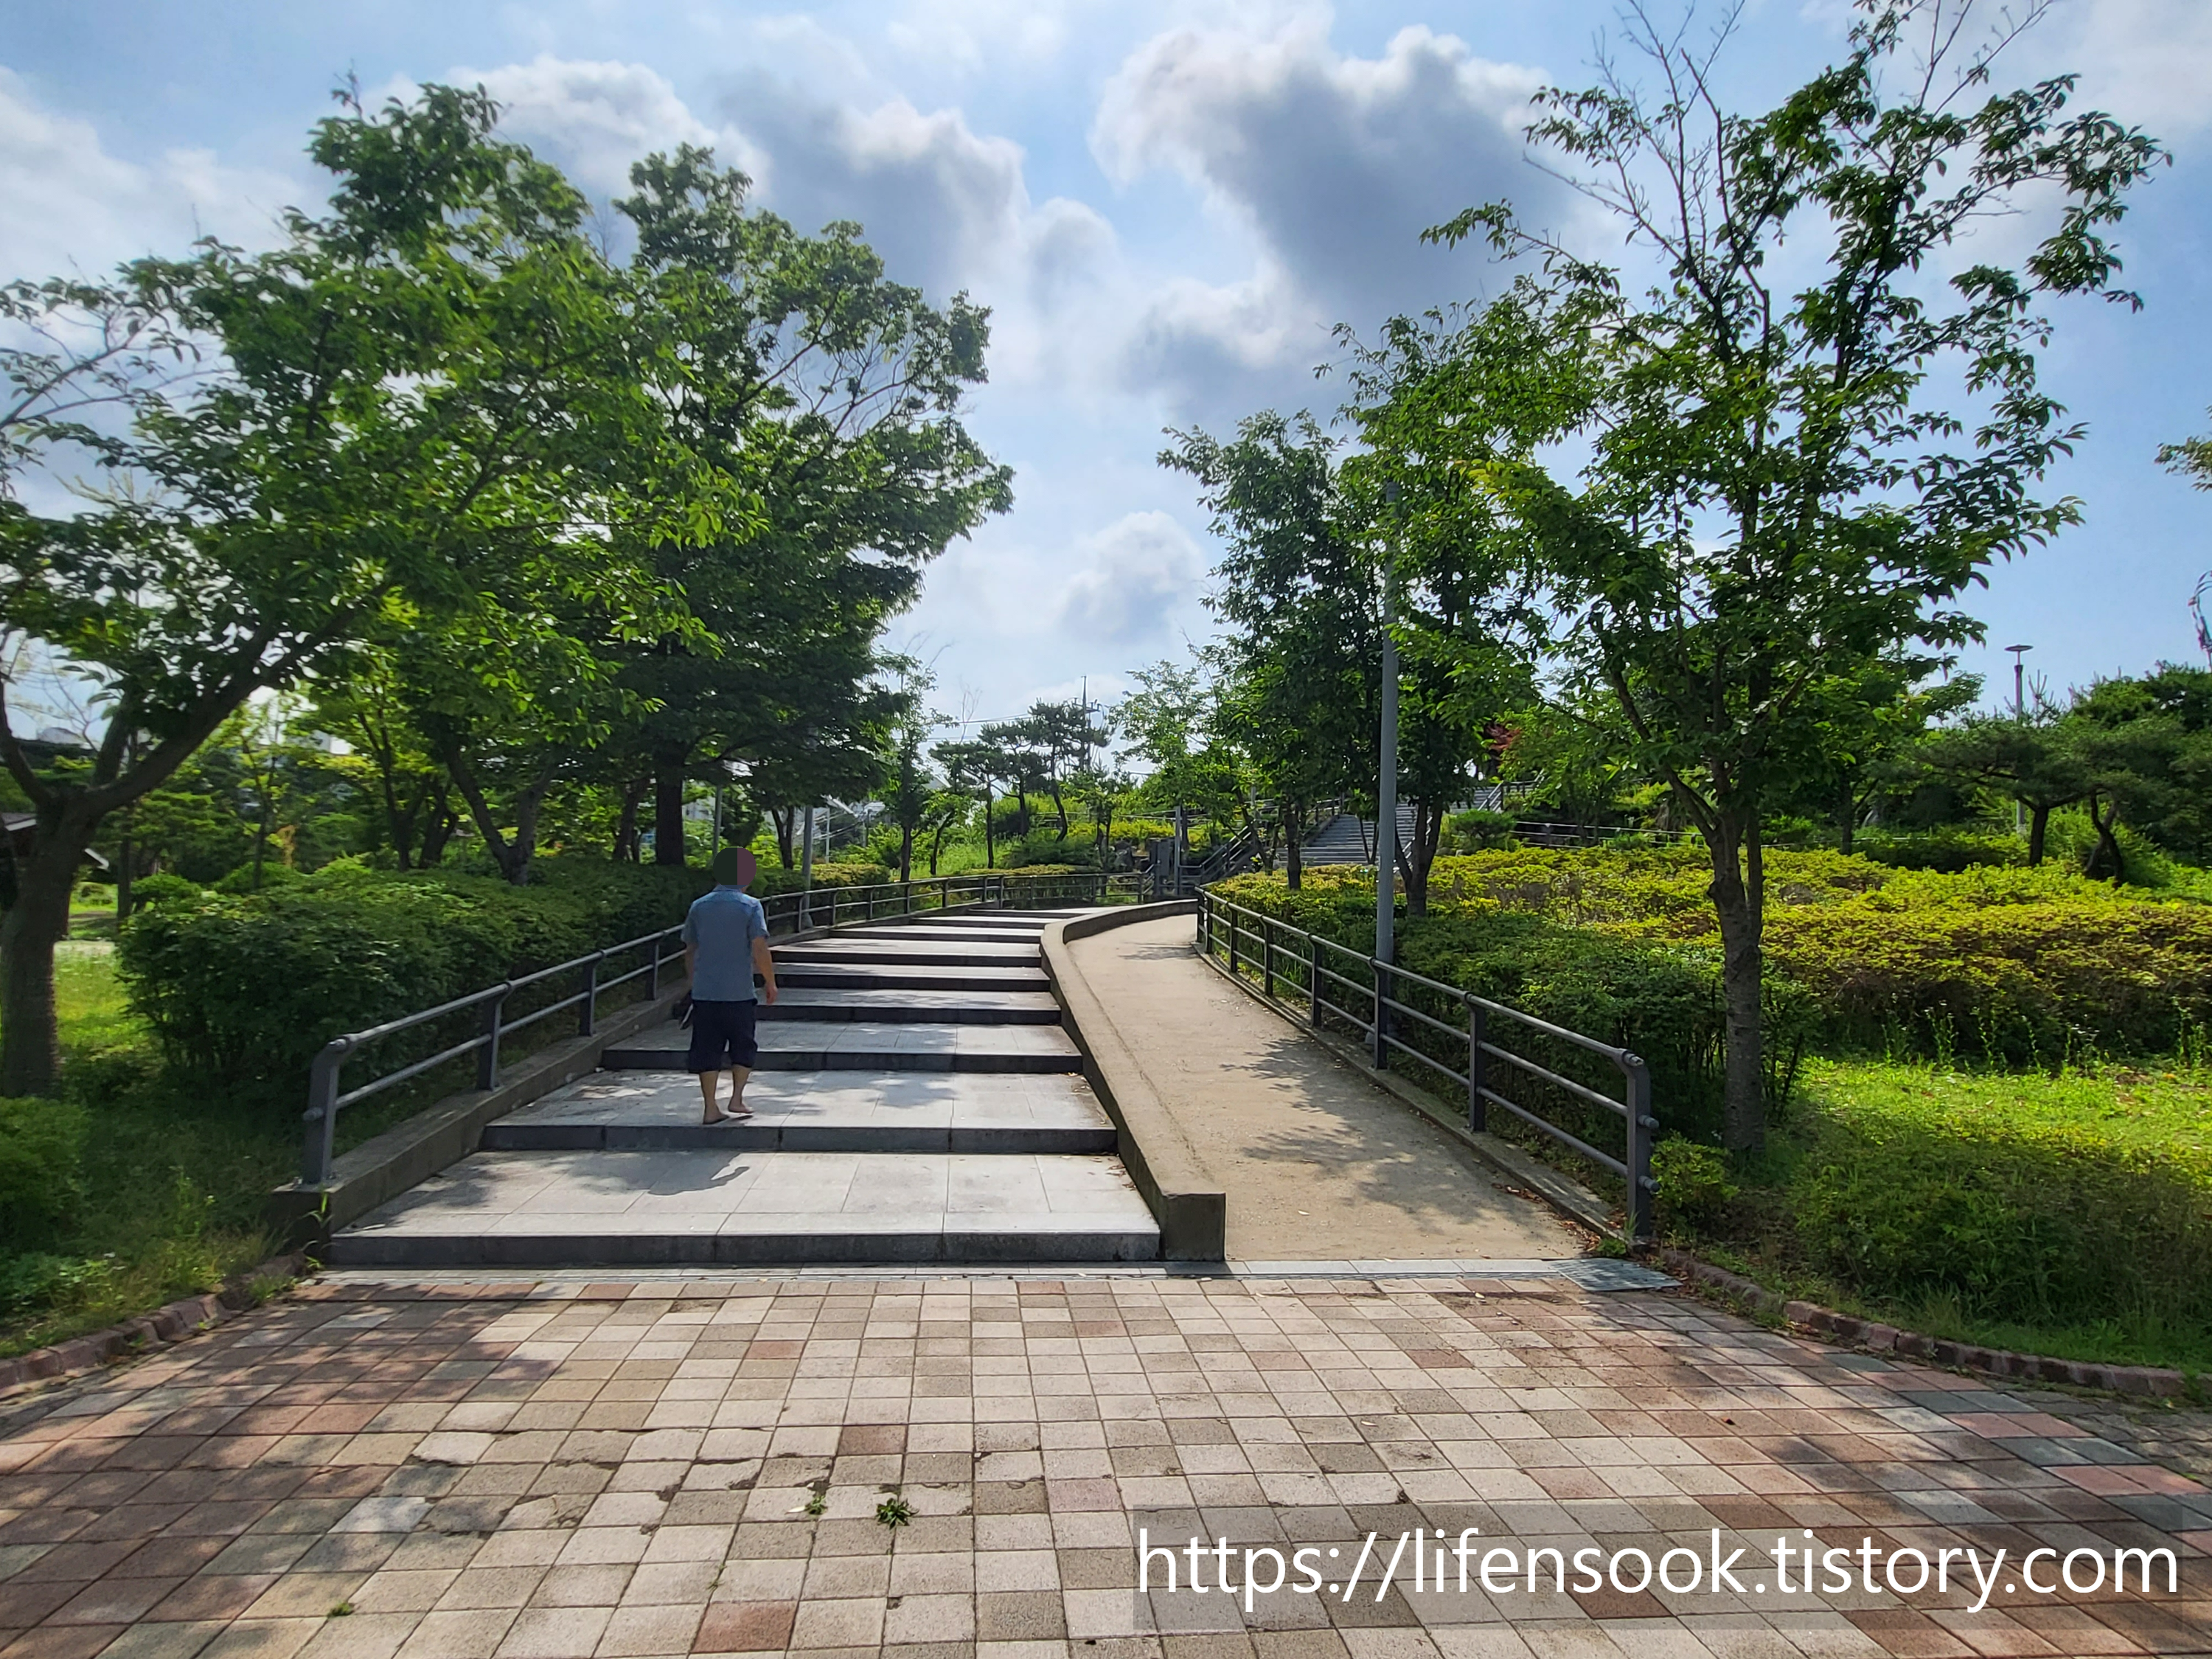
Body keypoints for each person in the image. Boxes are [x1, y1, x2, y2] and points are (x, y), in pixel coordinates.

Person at [681, 846, 777, 1124]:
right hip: (739, 992)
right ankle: (736, 1098)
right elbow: (759, 946)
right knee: (743, 1045)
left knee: (706, 1049)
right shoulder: (751, 906)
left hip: (706, 992)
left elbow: (690, 948)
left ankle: (710, 1107)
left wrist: (692, 981)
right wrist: (770, 981)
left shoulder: (699, 906)